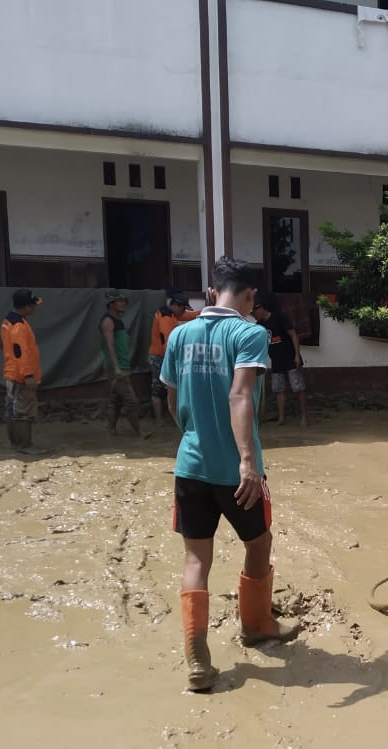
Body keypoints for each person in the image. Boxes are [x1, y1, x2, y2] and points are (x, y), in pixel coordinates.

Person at [160, 256, 300, 693]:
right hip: (235, 472)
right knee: (259, 542)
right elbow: (241, 396)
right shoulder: (250, 333)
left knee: (196, 559)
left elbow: (171, 397)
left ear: (209, 292)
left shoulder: (180, 333)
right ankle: (256, 626)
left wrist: (192, 436)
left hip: (190, 465)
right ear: (250, 295)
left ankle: (197, 657)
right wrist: (246, 462)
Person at [0, 288, 45, 455]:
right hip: (21, 375)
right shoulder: (19, 325)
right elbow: (21, 352)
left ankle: (15, 443)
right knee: (24, 411)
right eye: (33, 305)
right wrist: (28, 375)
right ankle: (25, 445)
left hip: (12, 372)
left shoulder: (8, 321)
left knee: (13, 408)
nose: (35, 308)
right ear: (26, 307)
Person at [251, 295, 308, 427]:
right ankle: (281, 417)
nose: (253, 316)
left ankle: (304, 417)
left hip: (290, 358)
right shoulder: (259, 326)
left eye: (254, 313)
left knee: (299, 388)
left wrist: (297, 355)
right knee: (279, 390)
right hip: (276, 361)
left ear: (260, 309)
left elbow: (293, 334)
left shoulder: (279, 318)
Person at [148, 287, 199, 427]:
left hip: (159, 355)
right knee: (159, 388)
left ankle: (165, 417)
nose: (184, 311)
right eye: (183, 308)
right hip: (160, 356)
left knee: (165, 387)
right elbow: (168, 342)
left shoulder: (169, 313)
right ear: (176, 305)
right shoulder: (166, 318)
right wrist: (172, 361)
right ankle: (159, 420)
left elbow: (187, 316)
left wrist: (204, 312)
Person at [99, 290, 146, 437]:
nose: (123, 303)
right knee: (130, 401)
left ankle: (111, 431)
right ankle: (139, 433)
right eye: (119, 301)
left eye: (124, 301)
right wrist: (117, 368)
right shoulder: (108, 321)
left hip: (121, 366)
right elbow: (110, 346)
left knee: (116, 400)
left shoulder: (117, 321)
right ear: (111, 304)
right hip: (116, 368)